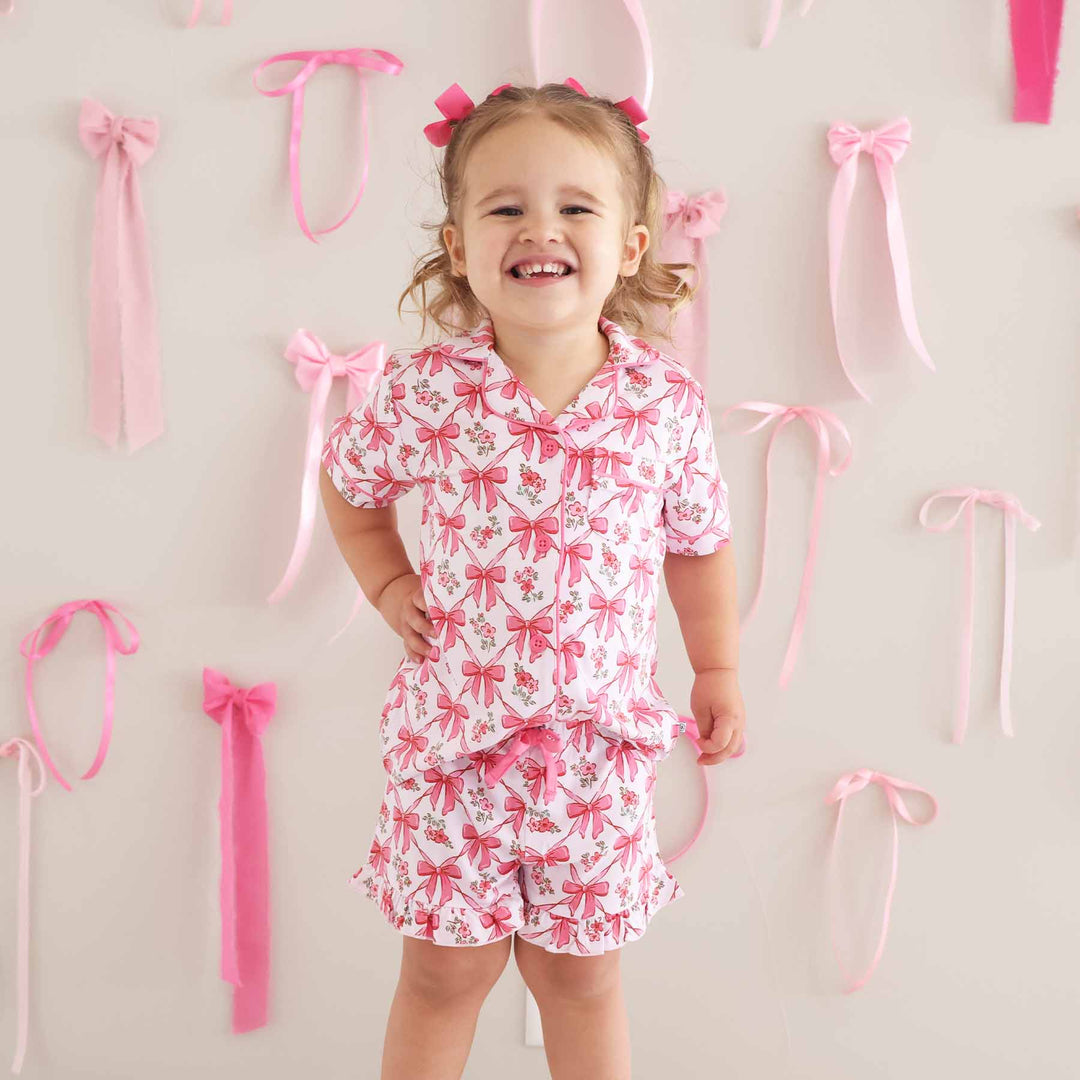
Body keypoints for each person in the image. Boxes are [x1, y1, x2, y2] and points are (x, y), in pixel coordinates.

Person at [320, 79, 745, 1080]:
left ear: (630, 247)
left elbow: (698, 544)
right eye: (505, 206)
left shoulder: (663, 402)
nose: (539, 229)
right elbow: (350, 487)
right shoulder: (429, 393)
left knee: (580, 981)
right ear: (459, 246)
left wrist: (717, 667)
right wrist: (388, 585)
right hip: (453, 750)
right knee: (443, 975)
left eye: (576, 207)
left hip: (597, 757)